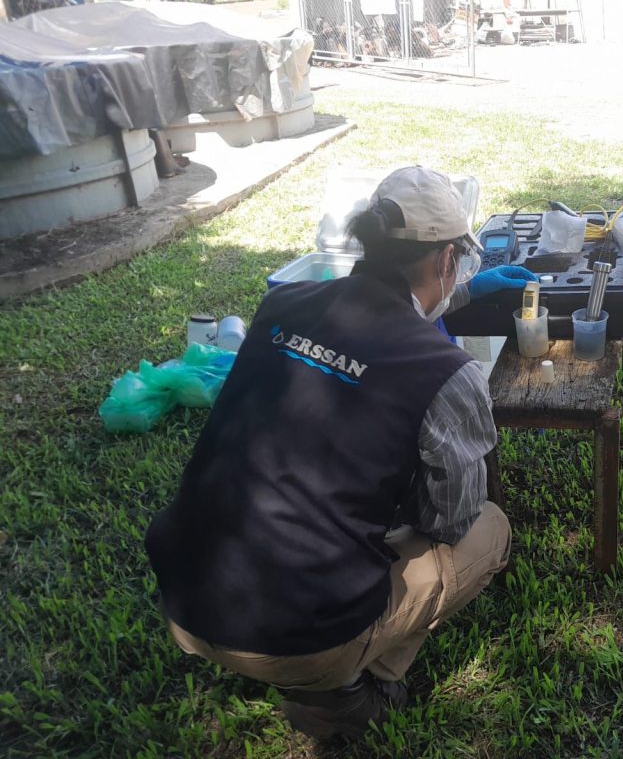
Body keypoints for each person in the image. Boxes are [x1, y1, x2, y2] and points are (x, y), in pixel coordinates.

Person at [145, 166, 537, 741]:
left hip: (183, 595)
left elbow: (381, 320)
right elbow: (448, 520)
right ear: (447, 259)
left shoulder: (284, 306)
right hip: (296, 635)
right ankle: (346, 693)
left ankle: (308, 660)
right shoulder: (445, 371)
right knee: (489, 527)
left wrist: (469, 292)